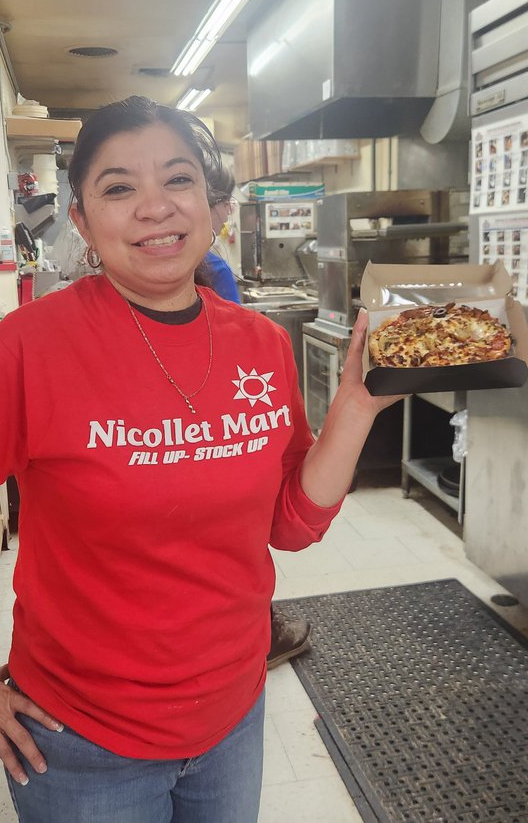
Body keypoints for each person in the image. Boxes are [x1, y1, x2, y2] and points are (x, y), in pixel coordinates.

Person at [0, 95, 400, 822]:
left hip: (234, 713)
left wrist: (357, 407)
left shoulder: (259, 344)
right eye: (118, 188)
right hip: (80, 746)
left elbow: (290, 524)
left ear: (211, 203)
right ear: (81, 220)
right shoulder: (33, 349)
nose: (154, 208)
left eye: (177, 180)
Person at [195, 155, 313, 670]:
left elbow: (292, 516)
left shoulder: (261, 338)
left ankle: (257, 631)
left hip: (232, 685)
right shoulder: (215, 267)